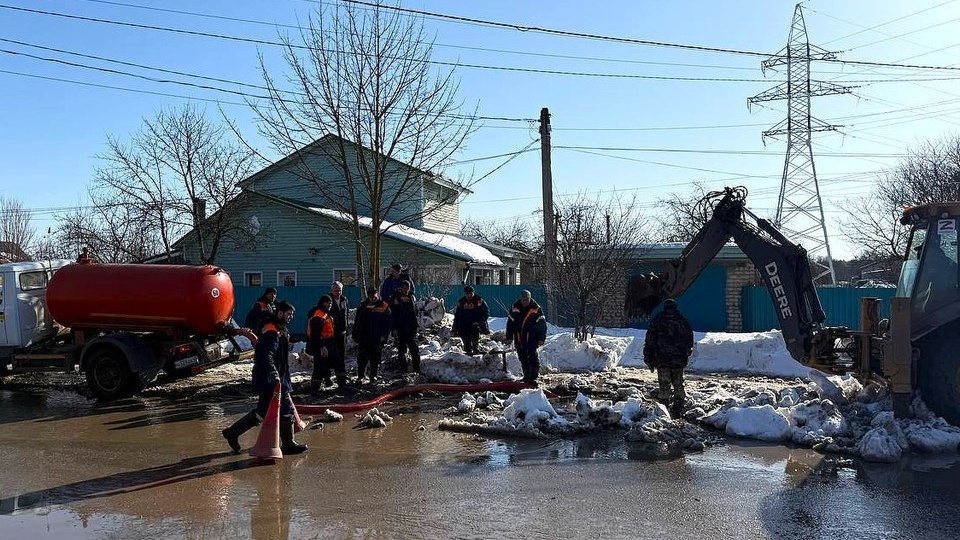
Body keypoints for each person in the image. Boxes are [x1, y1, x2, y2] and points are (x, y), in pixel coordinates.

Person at [222, 301, 307, 455]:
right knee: (286, 409)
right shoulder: (271, 331)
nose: (291, 317)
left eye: (292, 314)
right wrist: (274, 376)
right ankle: (288, 444)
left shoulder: (279, 329)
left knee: (262, 411)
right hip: (271, 377)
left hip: (274, 376)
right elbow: (266, 355)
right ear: (280, 313)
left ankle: (232, 432)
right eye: (289, 314)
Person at [642, 298, 695, 411]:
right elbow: (689, 339)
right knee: (678, 383)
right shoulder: (682, 321)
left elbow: (650, 340)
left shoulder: (658, 320)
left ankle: (664, 409)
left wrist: (648, 356)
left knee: (664, 384)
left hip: (662, 358)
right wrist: (686, 352)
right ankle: (678, 408)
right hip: (678, 359)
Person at [505, 290, 547, 385]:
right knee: (522, 356)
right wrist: (509, 336)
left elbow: (542, 324)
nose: (524, 302)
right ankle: (526, 376)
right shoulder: (515, 307)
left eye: (526, 300)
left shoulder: (536, 308)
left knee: (532, 356)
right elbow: (510, 323)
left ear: (529, 298)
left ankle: (533, 377)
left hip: (532, 336)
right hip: (519, 336)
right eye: (523, 300)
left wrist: (541, 338)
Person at [352, 286, 392, 384]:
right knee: (362, 358)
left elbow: (388, 323)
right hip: (364, 337)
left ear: (377, 295)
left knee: (375, 357)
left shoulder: (384, 306)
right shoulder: (363, 307)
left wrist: (384, 335)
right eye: (371, 297)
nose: (373, 298)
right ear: (368, 296)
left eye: (375, 297)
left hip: (377, 337)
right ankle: (361, 376)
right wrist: (356, 335)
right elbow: (357, 322)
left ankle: (373, 375)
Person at [307, 295, 338, 394]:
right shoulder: (318, 316)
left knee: (326, 364)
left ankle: (327, 381)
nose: (329, 305)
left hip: (328, 343)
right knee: (319, 367)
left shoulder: (326, 314)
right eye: (327, 302)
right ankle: (315, 388)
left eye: (330, 303)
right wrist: (321, 346)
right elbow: (315, 334)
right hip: (321, 344)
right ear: (322, 303)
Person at [388, 280, 421, 373]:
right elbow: (392, 314)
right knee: (402, 351)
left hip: (411, 328)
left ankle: (416, 369)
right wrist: (393, 328)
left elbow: (415, 312)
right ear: (401, 288)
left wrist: (416, 325)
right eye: (405, 288)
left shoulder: (411, 297)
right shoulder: (395, 298)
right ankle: (403, 370)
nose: (406, 290)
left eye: (408, 288)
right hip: (400, 328)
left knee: (414, 350)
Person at [452, 285, 490, 355]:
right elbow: (457, 316)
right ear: (465, 294)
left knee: (475, 341)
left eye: (471, 293)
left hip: (475, 325)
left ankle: (476, 353)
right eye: (467, 294)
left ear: (473, 293)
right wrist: (454, 328)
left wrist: (479, 322)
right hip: (464, 325)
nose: (469, 295)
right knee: (466, 344)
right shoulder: (461, 302)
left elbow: (486, 313)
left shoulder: (479, 300)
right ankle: (468, 357)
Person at [327, 281, 350, 390]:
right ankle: (327, 378)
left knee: (341, 356)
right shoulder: (327, 300)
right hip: (330, 334)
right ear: (332, 290)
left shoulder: (344, 300)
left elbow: (346, 314)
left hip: (342, 333)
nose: (338, 292)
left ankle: (342, 380)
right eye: (336, 290)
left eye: (339, 290)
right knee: (329, 357)